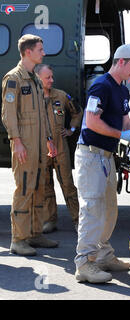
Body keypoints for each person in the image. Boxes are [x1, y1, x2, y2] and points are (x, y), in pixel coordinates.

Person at [74, 43, 130, 284]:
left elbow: (126, 123)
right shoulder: (101, 86)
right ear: (121, 61)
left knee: (109, 210)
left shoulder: (122, 91)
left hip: (106, 157)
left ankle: (103, 255)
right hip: (92, 155)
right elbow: (92, 122)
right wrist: (120, 135)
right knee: (92, 209)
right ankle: (84, 263)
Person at [1, 34, 58, 256]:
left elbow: (42, 113)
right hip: (24, 143)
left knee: (38, 189)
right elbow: (8, 114)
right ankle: (19, 239)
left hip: (39, 144)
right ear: (27, 52)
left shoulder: (34, 78)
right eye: (40, 49)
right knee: (24, 188)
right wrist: (17, 142)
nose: (43, 53)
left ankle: (35, 234)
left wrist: (49, 139)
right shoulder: (14, 78)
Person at [35, 64, 83, 233]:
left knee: (68, 185)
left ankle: (78, 220)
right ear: (38, 78)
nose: (51, 80)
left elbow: (77, 112)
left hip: (60, 147)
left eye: (52, 77)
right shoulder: (32, 99)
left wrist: (71, 129)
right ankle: (50, 220)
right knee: (46, 186)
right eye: (47, 77)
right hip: (41, 149)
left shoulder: (61, 96)